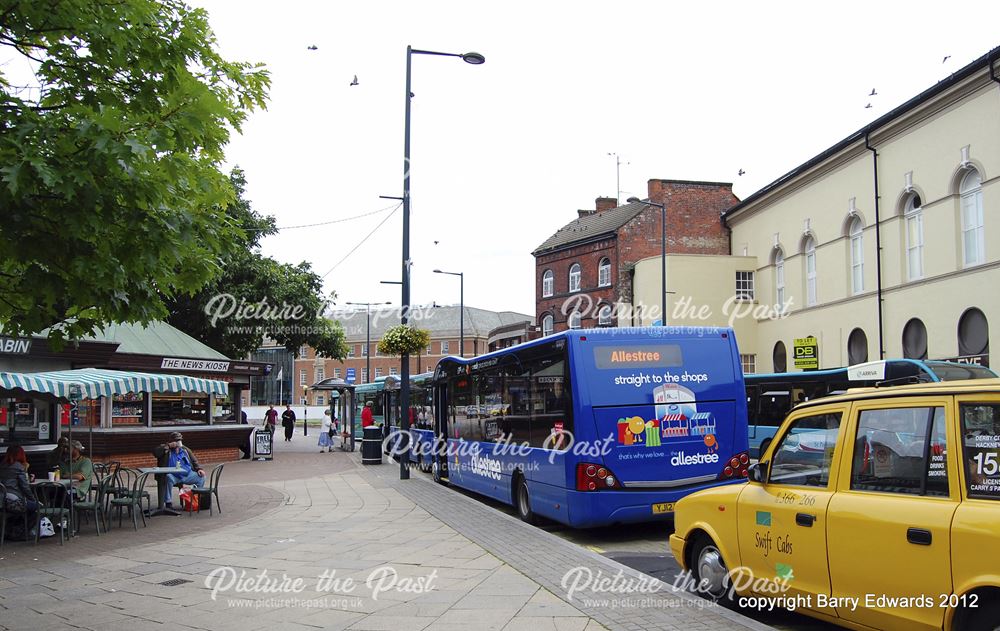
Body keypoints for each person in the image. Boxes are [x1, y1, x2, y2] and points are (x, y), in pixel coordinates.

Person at [152, 432, 205, 507]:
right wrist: (168, 446)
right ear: (171, 441)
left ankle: (195, 499)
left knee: (201, 478)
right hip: (174, 476)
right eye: (176, 440)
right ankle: (168, 502)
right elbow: (155, 452)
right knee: (168, 477)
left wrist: (199, 469)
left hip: (187, 475)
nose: (177, 443)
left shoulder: (185, 450)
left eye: (179, 440)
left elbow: (194, 460)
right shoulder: (166, 449)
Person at [0, 445, 39, 526]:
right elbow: (25, 487)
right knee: (38, 507)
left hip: (2, 500)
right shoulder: (19, 467)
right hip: (14, 501)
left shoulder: (2, 465)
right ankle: (25, 531)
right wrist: (33, 499)